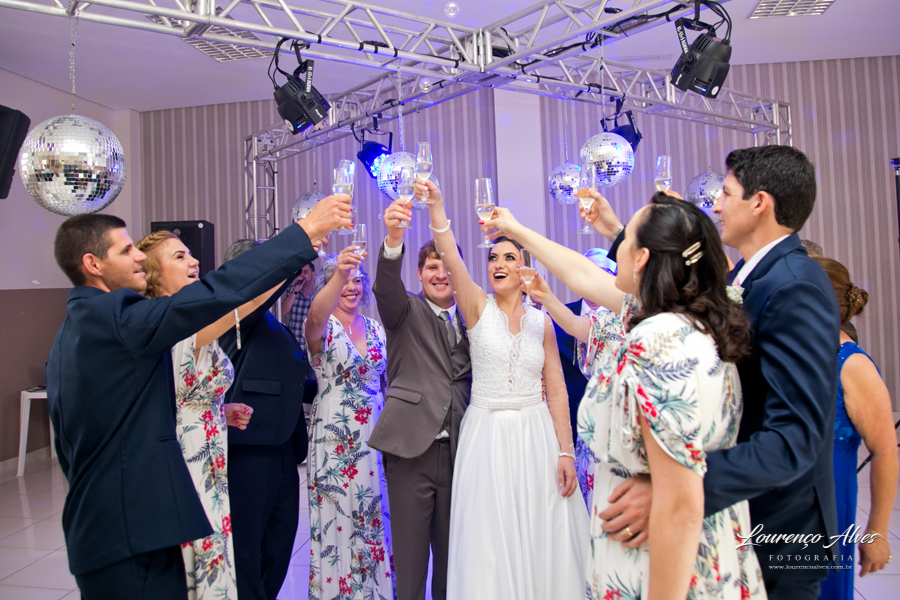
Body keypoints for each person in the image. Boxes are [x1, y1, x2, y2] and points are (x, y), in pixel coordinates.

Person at [46, 198, 349, 599]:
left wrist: (215, 411)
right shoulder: (117, 318)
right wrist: (304, 234)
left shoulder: (85, 322)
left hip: (125, 522)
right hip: (128, 530)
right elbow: (223, 291)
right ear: (92, 264)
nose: (138, 256)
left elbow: (117, 412)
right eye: (126, 250)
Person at [582, 145, 840, 599]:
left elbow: (796, 436)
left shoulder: (795, 284)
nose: (715, 205)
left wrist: (677, 486)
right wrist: (623, 233)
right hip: (734, 520)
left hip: (779, 523)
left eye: (726, 193)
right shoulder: (750, 275)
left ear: (759, 203)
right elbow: (674, 276)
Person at [485, 194, 765, 600]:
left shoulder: (659, 344)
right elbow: (582, 274)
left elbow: (679, 508)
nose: (615, 251)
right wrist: (515, 230)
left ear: (642, 259)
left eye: (625, 240)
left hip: (660, 564)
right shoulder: (688, 317)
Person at [417, 178, 588, 600]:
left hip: (536, 436)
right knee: (490, 540)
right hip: (487, 436)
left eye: (509, 257)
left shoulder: (542, 321)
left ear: (525, 267)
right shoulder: (476, 305)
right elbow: (450, 253)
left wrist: (565, 451)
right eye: (493, 256)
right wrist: (437, 207)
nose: (498, 263)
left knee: (540, 533)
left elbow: (557, 390)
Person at [136, 230, 278, 599]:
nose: (194, 261)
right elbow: (248, 301)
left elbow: (181, 389)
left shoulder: (187, 320)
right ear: (153, 273)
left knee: (212, 545)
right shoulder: (172, 322)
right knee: (195, 548)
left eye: (190, 254)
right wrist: (296, 251)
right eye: (179, 256)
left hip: (210, 453)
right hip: (185, 458)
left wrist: (219, 409)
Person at [368, 202, 473, 600]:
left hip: (461, 451)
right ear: (419, 273)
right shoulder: (403, 311)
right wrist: (394, 239)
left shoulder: (472, 317)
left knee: (452, 564)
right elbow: (385, 287)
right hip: (411, 451)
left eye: (446, 266)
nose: (440, 274)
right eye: (431, 267)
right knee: (411, 566)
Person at [217, 239, 311, 600]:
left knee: (279, 542)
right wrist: (302, 247)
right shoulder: (233, 315)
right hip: (249, 449)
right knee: (248, 548)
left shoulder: (274, 324)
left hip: (284, 446)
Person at [303, 248, 394, 600]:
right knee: (338, 516)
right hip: (335, 436)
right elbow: (314, 315)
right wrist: (339, 272)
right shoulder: (321, 327)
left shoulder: (374, 328)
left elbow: (385, 381)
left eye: (357, 280)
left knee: (374, 512)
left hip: (375, 433)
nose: (352, 287)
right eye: (344, 281)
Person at [813, 256, 897, 600]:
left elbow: (885, 451)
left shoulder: (853, 364)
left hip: (829, 505)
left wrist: (876, 532)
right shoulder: (799, 355)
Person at [548, 248, 621, 508]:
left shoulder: (627, 316)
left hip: (620, 428)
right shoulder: (557, 318)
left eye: (603, 272)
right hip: (580, 429)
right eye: (588, 272)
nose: (594, 278)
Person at [282, 262, 319, 405]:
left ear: (313, 274)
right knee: (293, 389)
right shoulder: (291, 291)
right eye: (299, 272)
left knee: (317, 388)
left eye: (305, 272)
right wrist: (294, 291)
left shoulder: (320, 292)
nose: (302, 275)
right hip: (295, 350)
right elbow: (283, 312)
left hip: (313, 349)